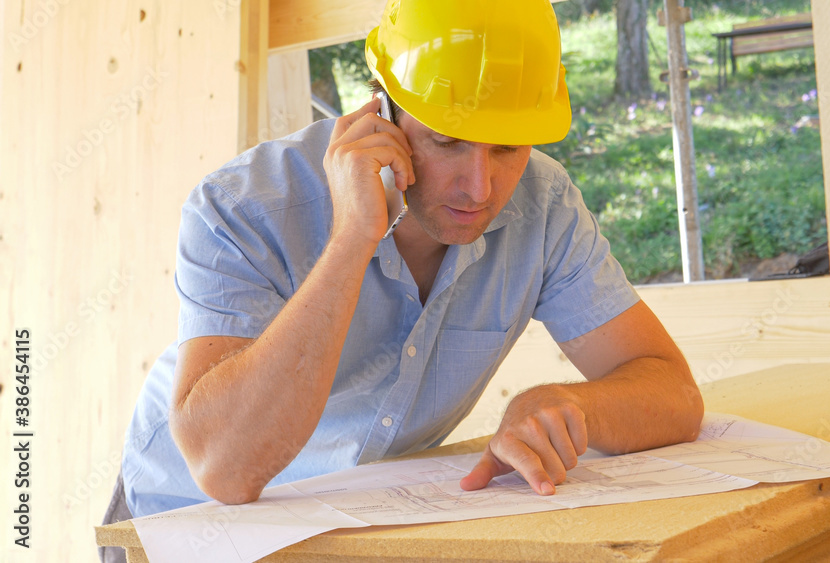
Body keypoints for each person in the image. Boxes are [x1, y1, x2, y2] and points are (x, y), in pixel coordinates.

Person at [106, 0, 703, 541]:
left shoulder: (543, 207)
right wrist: (351, 240)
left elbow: (672, 391)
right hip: (179, 523)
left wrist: (570, 406)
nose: (480, 187)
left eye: (508, 147)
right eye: (447, 142)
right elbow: (224, 470)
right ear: (382, 105)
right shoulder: (241, 208)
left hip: (359, 525)